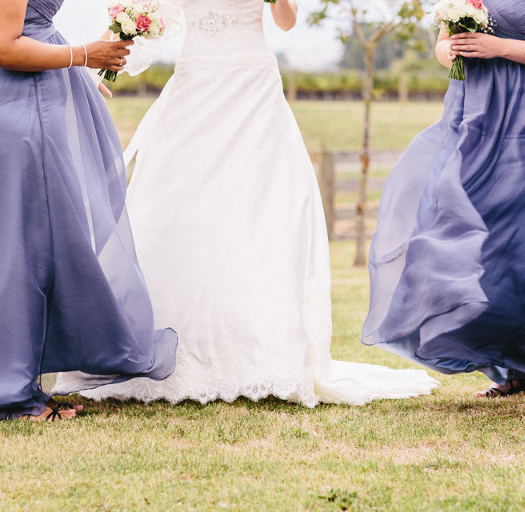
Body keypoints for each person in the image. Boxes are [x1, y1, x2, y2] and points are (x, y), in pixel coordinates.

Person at [55, 0, 439, 406]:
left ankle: (257, 349)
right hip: (196, 81)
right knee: (179, 207)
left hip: (254, 83)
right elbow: (157, 17)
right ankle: (168, 340)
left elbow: (287, 23)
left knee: (258, 208)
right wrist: (122, 35)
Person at [361, 0, 525, 397]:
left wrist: (500, 48)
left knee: (518, 241)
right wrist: (452, 50)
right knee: (440, 219)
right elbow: (442, 46)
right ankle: (468, 341)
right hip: (469, 112)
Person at [0, 0, 178, 422]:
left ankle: (22, 384)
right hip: (23, 107)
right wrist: (83, 55)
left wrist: (74, 71)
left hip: (34, 95)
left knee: (30, 244)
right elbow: (6, 45)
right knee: (27, 250)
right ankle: (14, 394)